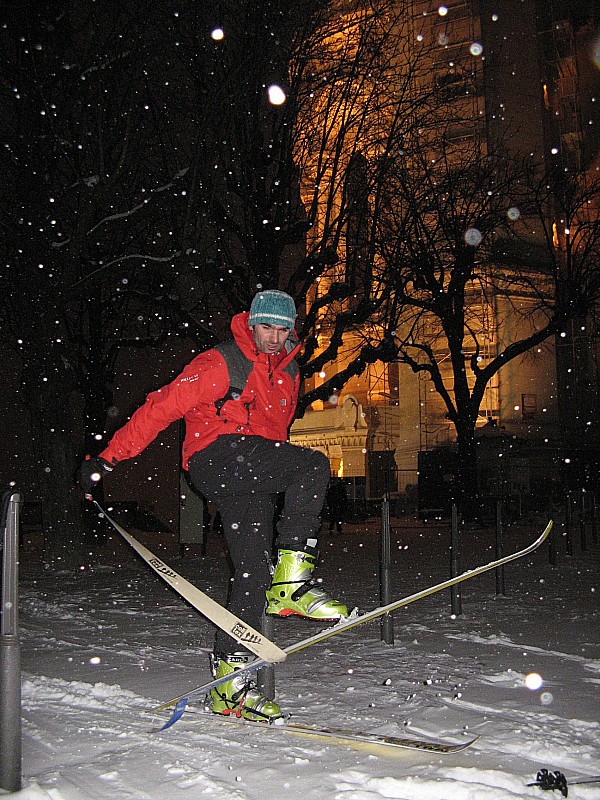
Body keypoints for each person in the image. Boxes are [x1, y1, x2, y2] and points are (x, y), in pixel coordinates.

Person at [79, 289, 348, 723]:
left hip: (252, 469)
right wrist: (109, 459)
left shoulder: (290, 372)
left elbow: (275, 432)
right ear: (252, 324)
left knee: (251, 573)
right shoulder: (220, 362)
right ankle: (292, 583)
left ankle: (230, 685)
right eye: (266, 327)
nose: (275, 338)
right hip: (216, 456)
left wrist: (281, 474)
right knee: (315, 466)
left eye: (283, 329)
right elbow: (160, 407)